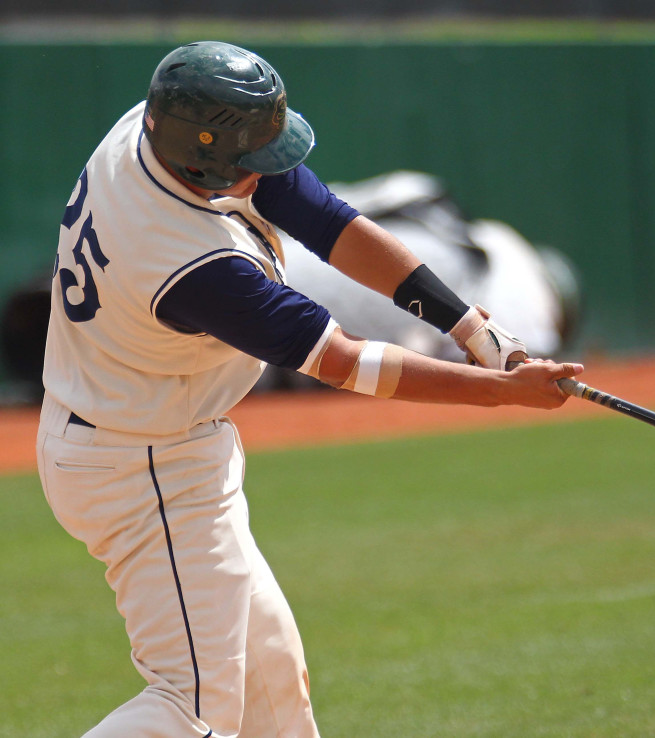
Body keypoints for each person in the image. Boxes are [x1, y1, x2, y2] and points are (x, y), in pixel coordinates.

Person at [36, 41, 583, 738]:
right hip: (141, 466)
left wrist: (475, 328)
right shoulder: (191, 260)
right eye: (252, 155)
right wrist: (503, 393)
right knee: (192, 708)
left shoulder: (155, 130)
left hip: (139, 435)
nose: (269, 167)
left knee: (272, 682)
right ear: (207, 158)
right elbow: (350, 363)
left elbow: (330, 223)